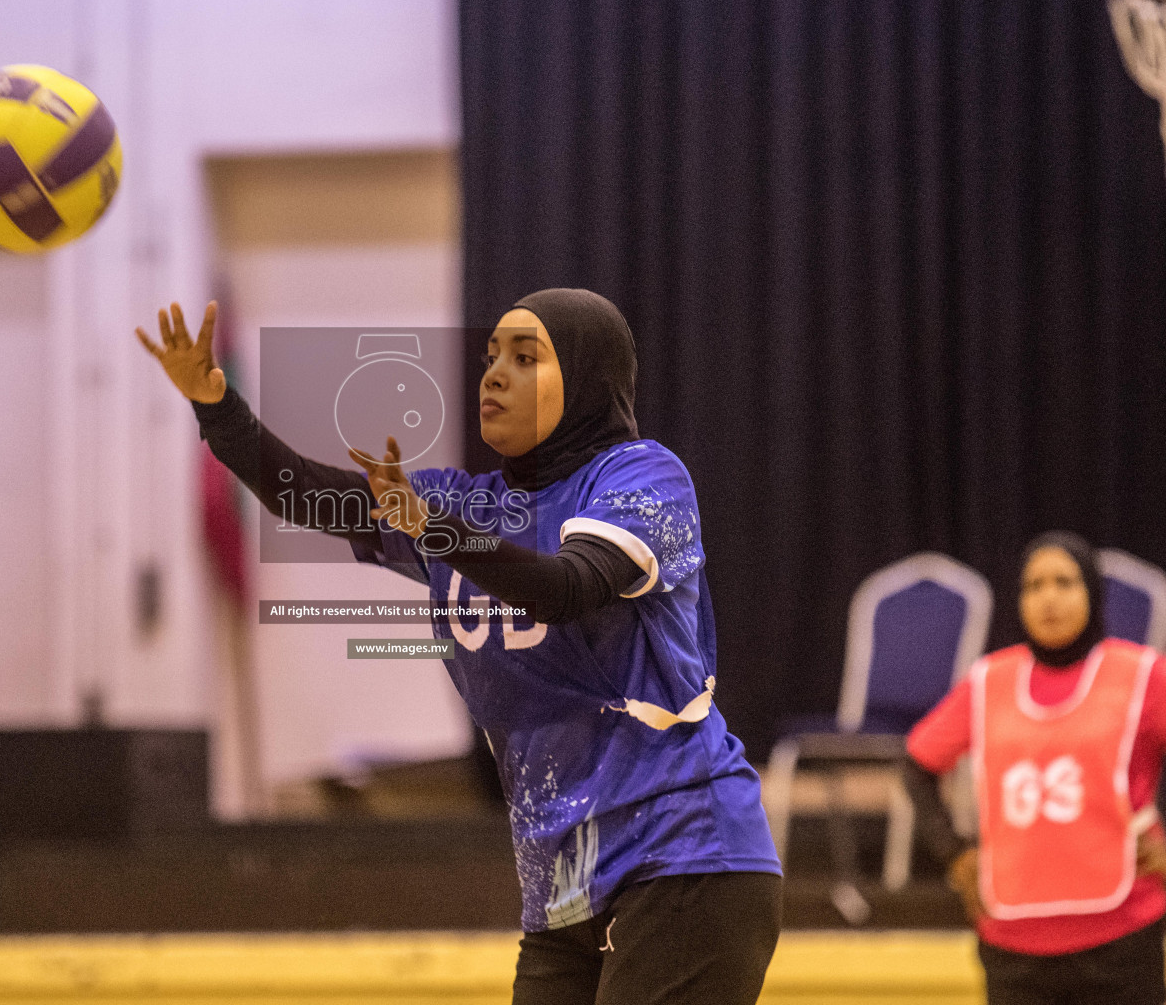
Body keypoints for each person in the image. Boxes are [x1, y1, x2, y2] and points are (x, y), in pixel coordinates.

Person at [137, 289, 781, 1005]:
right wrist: (217, 407)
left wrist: (432, 528)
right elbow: (305, 496)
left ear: (586, 379)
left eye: (525, 357)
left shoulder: (639, 478)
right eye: (490, 356)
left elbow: (563, 588)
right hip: (564, 885)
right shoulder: (460, 502)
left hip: (686, 856)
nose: (494, 374)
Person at [903, 531, 1166, 1005]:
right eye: (1034, 585)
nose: (1049, 597)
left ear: (1092, 592)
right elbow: (916, 766)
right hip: (1012, 944)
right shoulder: (988, 680)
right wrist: (955, 854)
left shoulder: (1142, 673)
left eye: (1065, 582)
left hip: (1123, 937)